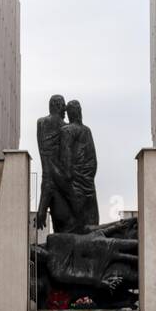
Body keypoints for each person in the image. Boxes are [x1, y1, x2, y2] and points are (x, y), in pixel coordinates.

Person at [34, 95, 73, 232]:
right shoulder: (67, 129)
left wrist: (42, 207)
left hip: (49, 187)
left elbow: (46, 169)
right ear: (57, 106)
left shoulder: (41, 123)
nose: (65, 110)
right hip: (62, 189)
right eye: (63, 106)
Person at [61, 99, 100, 229]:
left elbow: (65, 157)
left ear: (70, 114)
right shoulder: (87, 130)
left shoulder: (66, 131)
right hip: (87, 181)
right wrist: (88, 176)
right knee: (92, 222)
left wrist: (68, 176)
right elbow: (93, 160)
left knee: (76, 224)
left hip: (75, 182)